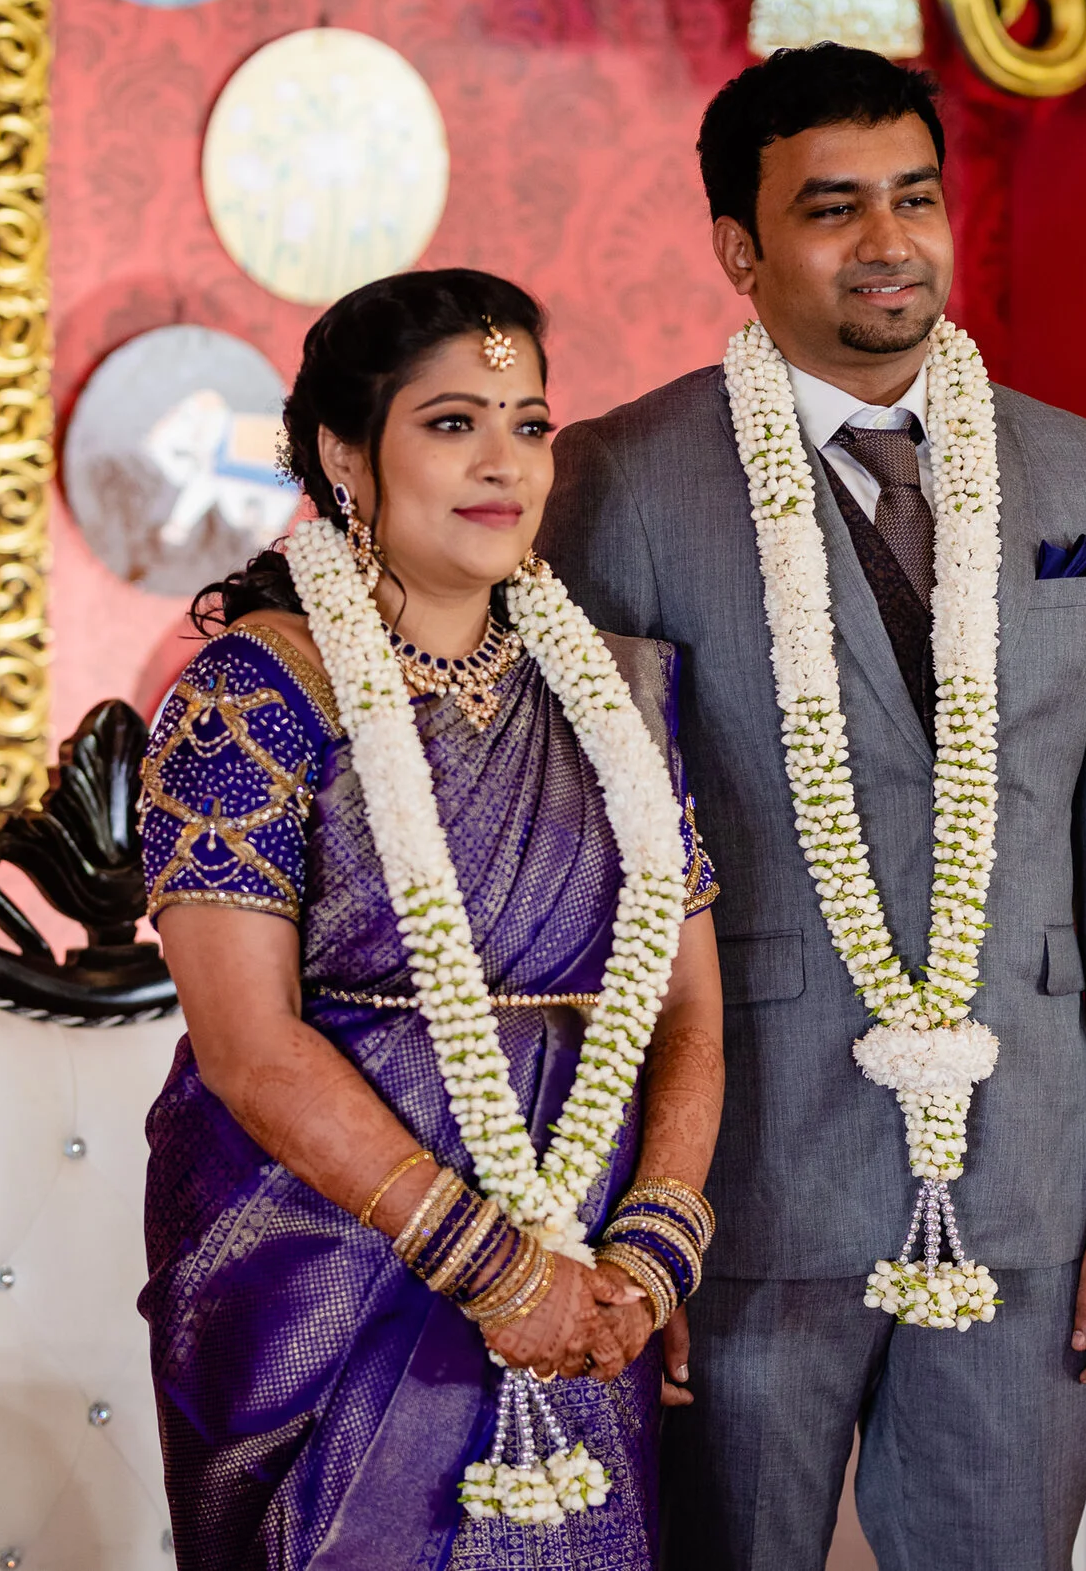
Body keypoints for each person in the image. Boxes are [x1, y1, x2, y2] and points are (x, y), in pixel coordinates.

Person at [538, 44, 1086, 1569]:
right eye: (833, 209)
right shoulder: (623, 480)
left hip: (1029, 1172)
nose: (888, 241)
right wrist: (610, 1226)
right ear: (741, 247)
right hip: (741, 1185)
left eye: (914, 198)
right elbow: (585, 878)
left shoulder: (1073, 472)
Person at [139, 268, 726, 1571]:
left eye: (529, 423)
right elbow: (247, 1046)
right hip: (325, 1269)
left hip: (582, 1268)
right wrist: (486, 1262)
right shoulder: (251, 696)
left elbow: (689, 1000)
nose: (503, 462)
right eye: (454, 422)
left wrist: (654, 1243)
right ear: (348, 450)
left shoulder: (617, 695)